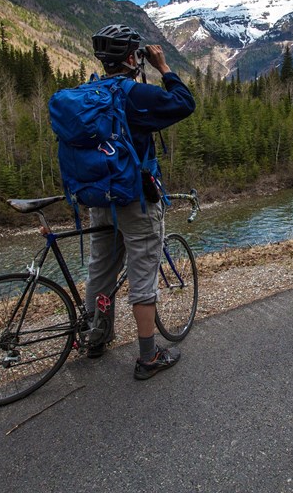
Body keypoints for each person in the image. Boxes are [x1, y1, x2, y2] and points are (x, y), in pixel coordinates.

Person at [86, 24, 195, 379]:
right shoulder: (135, 94)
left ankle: (95, 338)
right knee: (143, 274)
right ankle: (148, 357)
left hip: (100, 198)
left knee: (100, 270)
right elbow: (184, 102)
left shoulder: (90, 92)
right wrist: (164, 67)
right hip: (137, 198)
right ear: (134, 57)